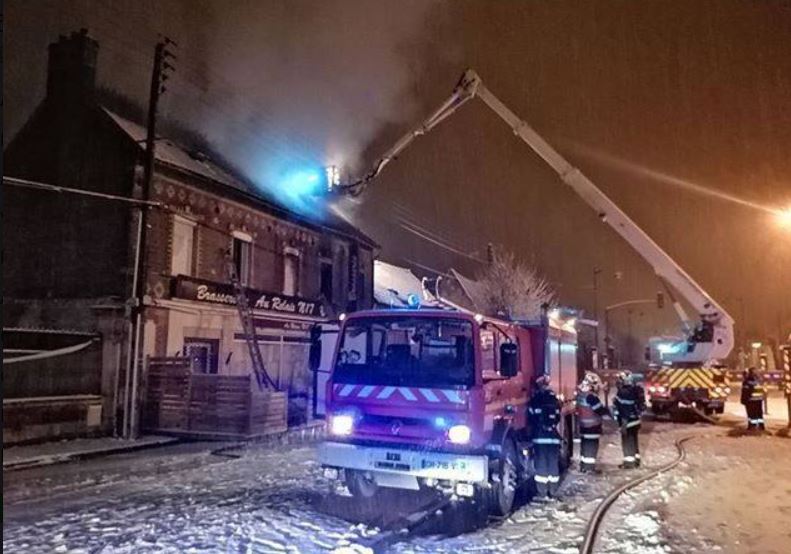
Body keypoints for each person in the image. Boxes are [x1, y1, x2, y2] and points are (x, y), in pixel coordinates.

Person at [528, 375, 562, 498]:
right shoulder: (554, 399)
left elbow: (531, 417)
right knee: (553, 463)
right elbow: (558, 417)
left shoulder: (536, 399)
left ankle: (542, 492)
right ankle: (553, 491)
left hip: (540, 438)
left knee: (541, 464)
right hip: (553, 437)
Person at [575, 372, 611, 473]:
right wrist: (608, 414)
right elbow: (600, 410)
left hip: (583, 426)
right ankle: (589, 468)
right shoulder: (591, 397)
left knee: (585, 447)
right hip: (592, 427)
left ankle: (583, 467)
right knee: (591, 448)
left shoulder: (581, 395)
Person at [613, 370, 646, 469]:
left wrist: (623, 422)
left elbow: (625, 409)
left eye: (620, 380)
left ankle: (629, 463)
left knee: (627, 442)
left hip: (627, 421)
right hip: (635, 420)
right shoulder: (635, 390)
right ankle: (636, 460)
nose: (618, 382)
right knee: (633, 440)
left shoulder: (624, 392)